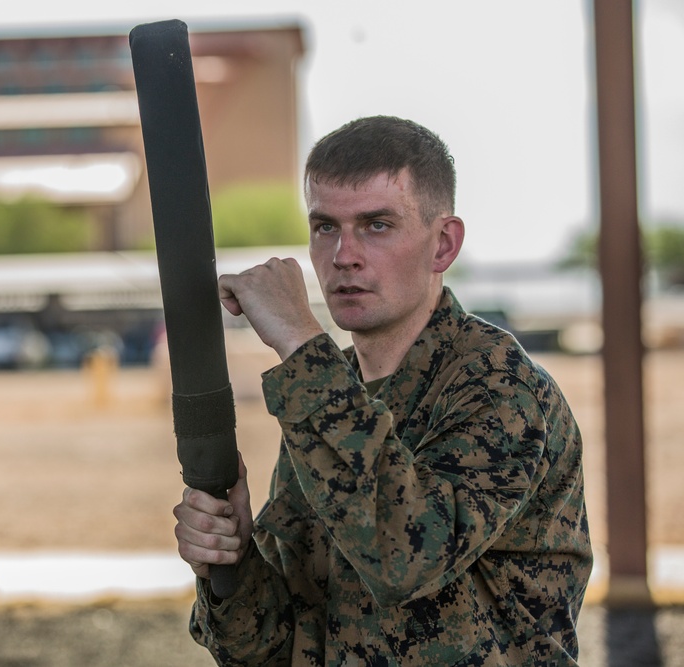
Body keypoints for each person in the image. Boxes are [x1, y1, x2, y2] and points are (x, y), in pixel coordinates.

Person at [173, 115, 592, 665]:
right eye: (325, 226)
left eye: (376, 225)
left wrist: (301, 343)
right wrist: (231, 562)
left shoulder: (499, 388)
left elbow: (406, 559)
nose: (343, 254)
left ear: (443, 244)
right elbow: (276, 647)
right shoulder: (330, 395)